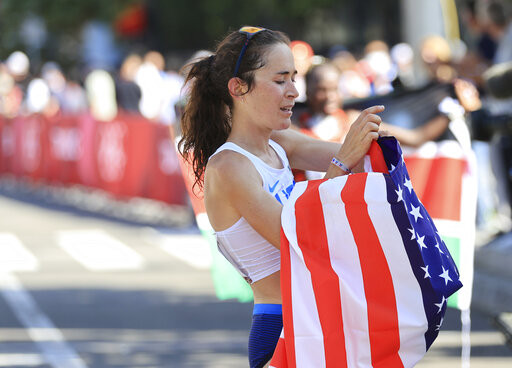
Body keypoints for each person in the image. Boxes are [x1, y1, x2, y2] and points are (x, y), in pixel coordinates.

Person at [178, 26, 384, 368]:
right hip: (283, 329)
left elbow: (361, 155)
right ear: (238, 87)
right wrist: (343, 159)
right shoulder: (229, 166)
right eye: (280, 80)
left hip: (320, 318)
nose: (293, 92)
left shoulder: (278, 142)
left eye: (294, 78)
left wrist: (381, 139)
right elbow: (299, 239)